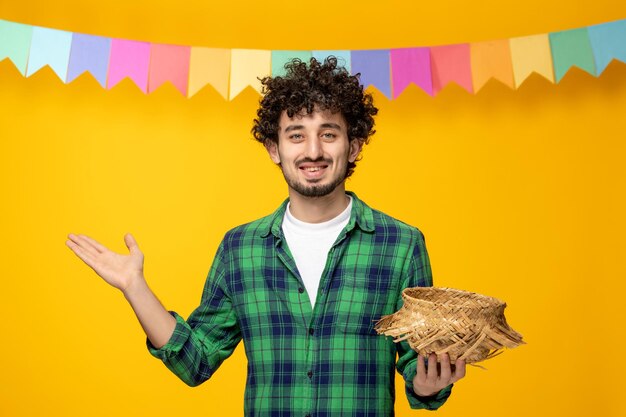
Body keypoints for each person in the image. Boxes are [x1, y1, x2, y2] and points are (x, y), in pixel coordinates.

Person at [65, 56, 466, 416]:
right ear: (274, 148)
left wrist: (427, 384)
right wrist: (135, 287)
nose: (313, 150)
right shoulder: (240, 249)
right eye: (295, 135)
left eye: (329, 134)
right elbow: (196, 361)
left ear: (355, 145)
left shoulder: (401, 244)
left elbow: (419, 361)